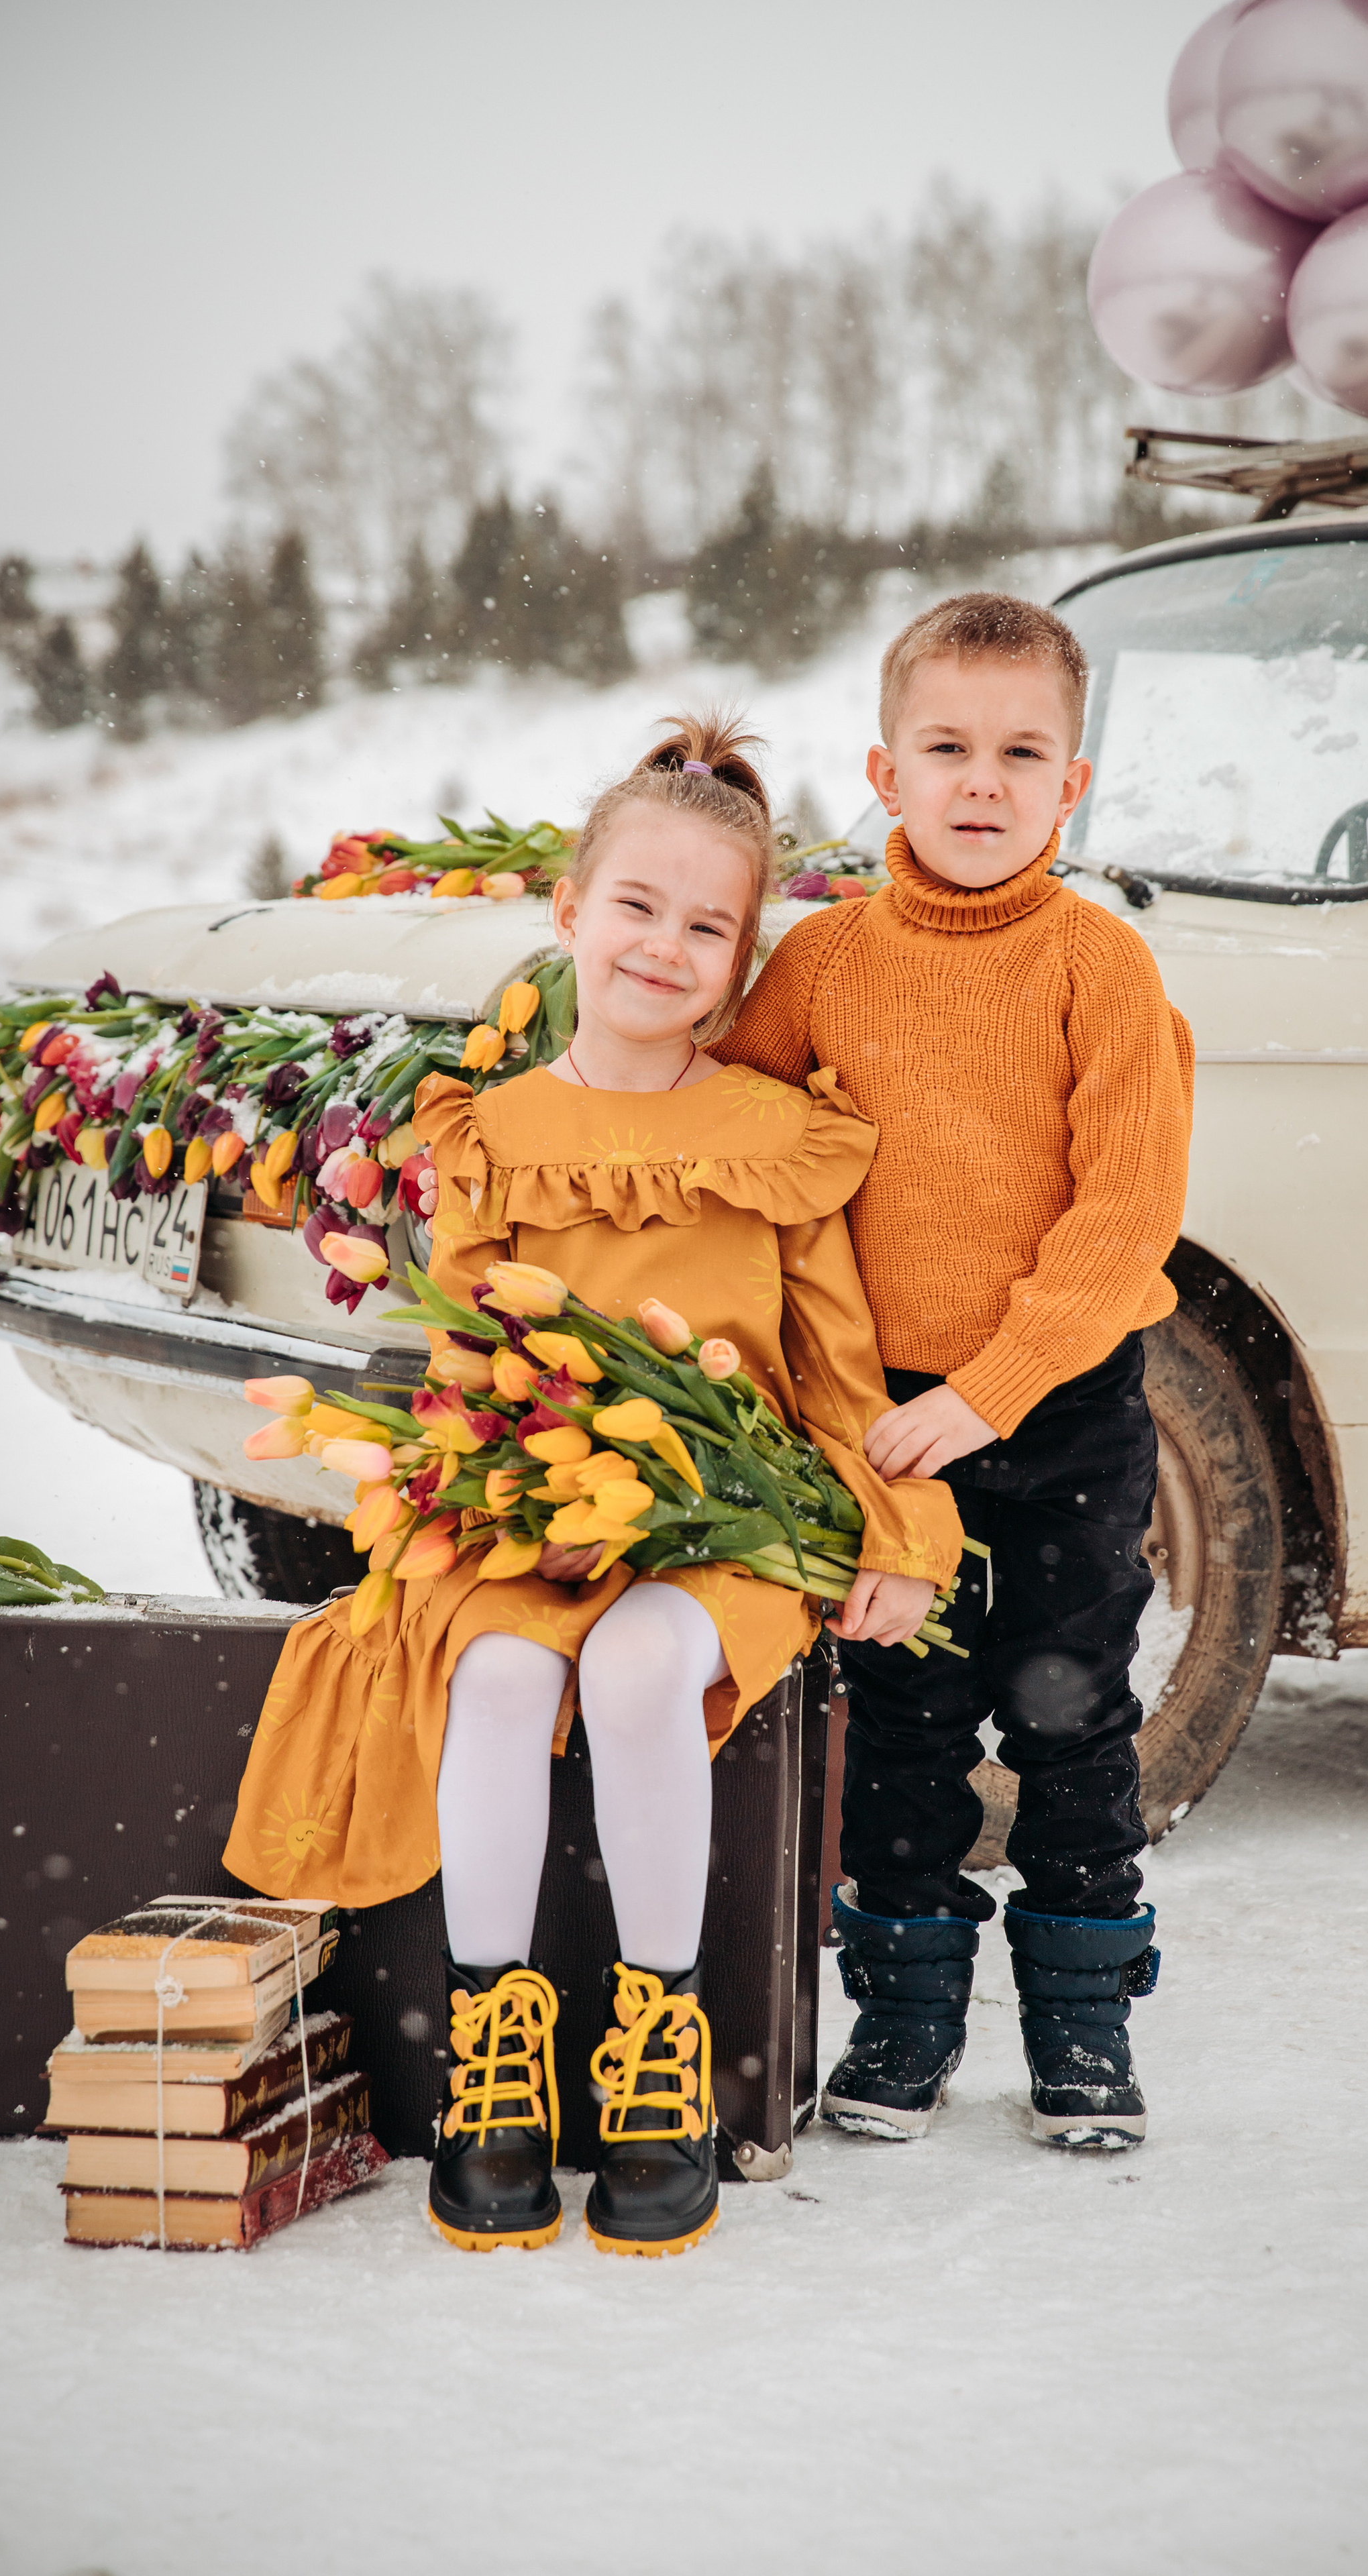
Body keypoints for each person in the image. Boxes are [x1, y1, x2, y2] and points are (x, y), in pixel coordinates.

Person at [223, 714, 961, 2257]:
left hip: (728, 1518)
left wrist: (897, 1526)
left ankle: (656, 2046)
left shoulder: (775, 1140)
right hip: (539, 1511)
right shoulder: (493, 1134)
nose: (662, 946)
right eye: (636, 905)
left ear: (741, 960)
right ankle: (492, 2048)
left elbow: (838, 1371)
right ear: (568, 910)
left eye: (706, 927)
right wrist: (484, 1501)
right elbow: (471, 1361)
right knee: (494, 1672)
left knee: (634, 1669)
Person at [717, 594, 1194, 2151]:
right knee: (901, 1725)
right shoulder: (821, 964)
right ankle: (903, 2022)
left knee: (1070, 1721)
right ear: (884, 773)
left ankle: (1082, 2025)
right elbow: (744, 1146)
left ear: (1071, 785)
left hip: (1057, 1413)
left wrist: (992, 1390)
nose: (980, 781)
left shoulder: (1097, 965)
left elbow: (1125, 1216)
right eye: (944, 748)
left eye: (1019, 753)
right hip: (877, 1425)